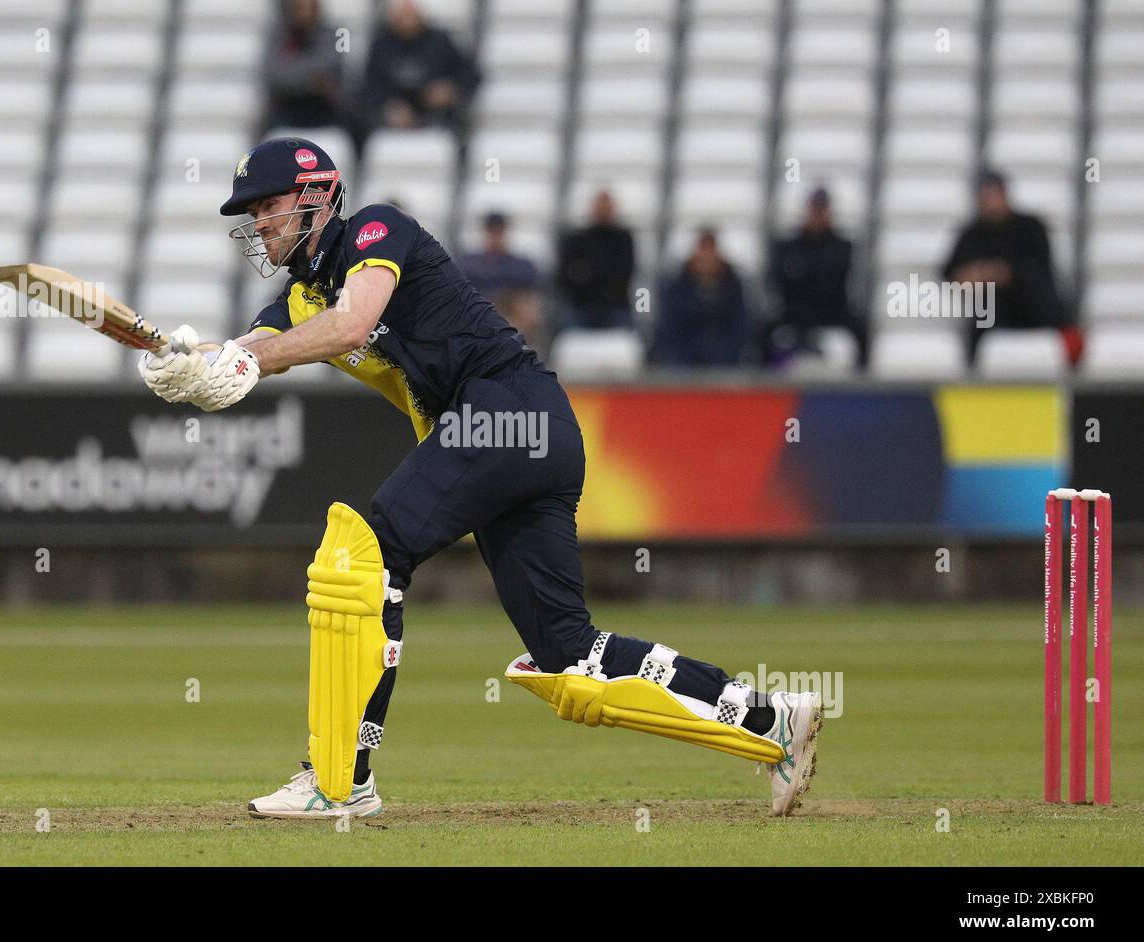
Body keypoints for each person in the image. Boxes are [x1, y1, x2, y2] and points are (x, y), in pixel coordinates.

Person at [136, 136, 823, 820]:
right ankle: (772, 721)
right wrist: (192, 363)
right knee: (567, 658)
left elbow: (352, 324)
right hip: (526, 435)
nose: (258, 222)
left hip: (506, 411)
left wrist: (245, 360)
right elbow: (252, 350)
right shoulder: (297, 300)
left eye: (268, 205)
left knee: (361, 556)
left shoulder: (378, 229)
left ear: (318, 196)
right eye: (250, 212)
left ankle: (340, 782)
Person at [942, 169, 1068, 363]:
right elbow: (951, 274)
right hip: (991, 321)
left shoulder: (1030, 228)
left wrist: (1003, 274)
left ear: (1004, 195)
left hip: (1034, 312)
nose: (988, 201)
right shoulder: (971, 234)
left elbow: (1040, 271)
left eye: (992, 195)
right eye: (983, 196)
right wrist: (979, 276)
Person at [765, 187, 864, 367]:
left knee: (861, 327)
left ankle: (862, 379)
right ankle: (765, 380)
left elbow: (836, 281)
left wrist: (804, 274)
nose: (818, 215)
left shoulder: (842, 246)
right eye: (815, 210)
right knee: (764, 329)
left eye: (822, 210)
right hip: (796, 311)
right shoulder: (789, 246)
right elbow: (778, 280)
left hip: (832, 311)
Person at [359, 0, 480, 132]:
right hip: (390, 119)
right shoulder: (381, 45)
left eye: (411, 14)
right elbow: (368, 85)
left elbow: (470, 74)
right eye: (402, 14)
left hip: (436, 116)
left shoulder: (440, 41)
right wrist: (387, 106)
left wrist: (450, 90)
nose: (407, 20)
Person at [654, 229, 751, 368]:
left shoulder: (732, 286)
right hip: (685, 355)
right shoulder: (677, 286)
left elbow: (741, 323)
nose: (707, 259)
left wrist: (730, 351)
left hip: (723, 354)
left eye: (710, 252)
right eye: (703, 252)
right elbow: (669, 325)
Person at [457, 211, 545, 353]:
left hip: (510, 315)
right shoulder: (469, 263)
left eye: (499, 231)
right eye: (492, 231)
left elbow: (529, 299)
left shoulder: (521, 265)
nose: (495, 236)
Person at [556, 189, 635, 331]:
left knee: (628, 334)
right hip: (580, 304)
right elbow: (566, 275)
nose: (603, 210)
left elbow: (625, 273)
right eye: (600, 205)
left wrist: (588, 274)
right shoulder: (576, 238)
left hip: (615, 305)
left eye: (607, 205)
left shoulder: (624, 238)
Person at [263, 0, 345, 133]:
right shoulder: (278, 35)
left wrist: (292, 73)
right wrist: (312, 81)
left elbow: (334, 67)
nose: (304, 13)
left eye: (308, 7)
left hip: (325, 112)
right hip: (286, 112)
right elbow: (273, 75)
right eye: (299, 7)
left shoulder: (336, 35)